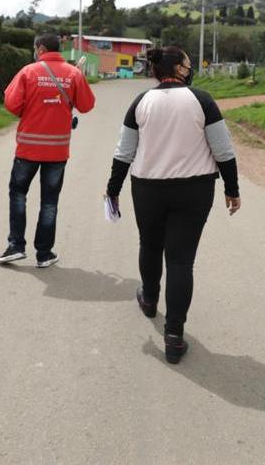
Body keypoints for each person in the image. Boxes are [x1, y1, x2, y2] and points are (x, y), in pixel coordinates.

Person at [105, 46, 241, 364]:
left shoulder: (140, 102)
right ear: (179, 69)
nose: (190, 69)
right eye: (188, 65)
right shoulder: (202, 100)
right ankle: (174, 336)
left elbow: (124, 151)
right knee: (180, 261)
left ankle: (149, 299)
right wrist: (232, 189)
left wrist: (113, 189)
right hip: (194, 190)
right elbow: (223, 149)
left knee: (150, 246)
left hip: (147, 188)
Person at [0, 33, 96, 268]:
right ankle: (44, 253)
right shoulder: (73, 74)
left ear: (40, 49)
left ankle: (16, 246)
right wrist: (78, 79)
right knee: (49, 202)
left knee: (18, 193)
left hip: (28, 148)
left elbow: (11, 104)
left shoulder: (28, 72)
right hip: (57, 151)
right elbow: (87, 105)